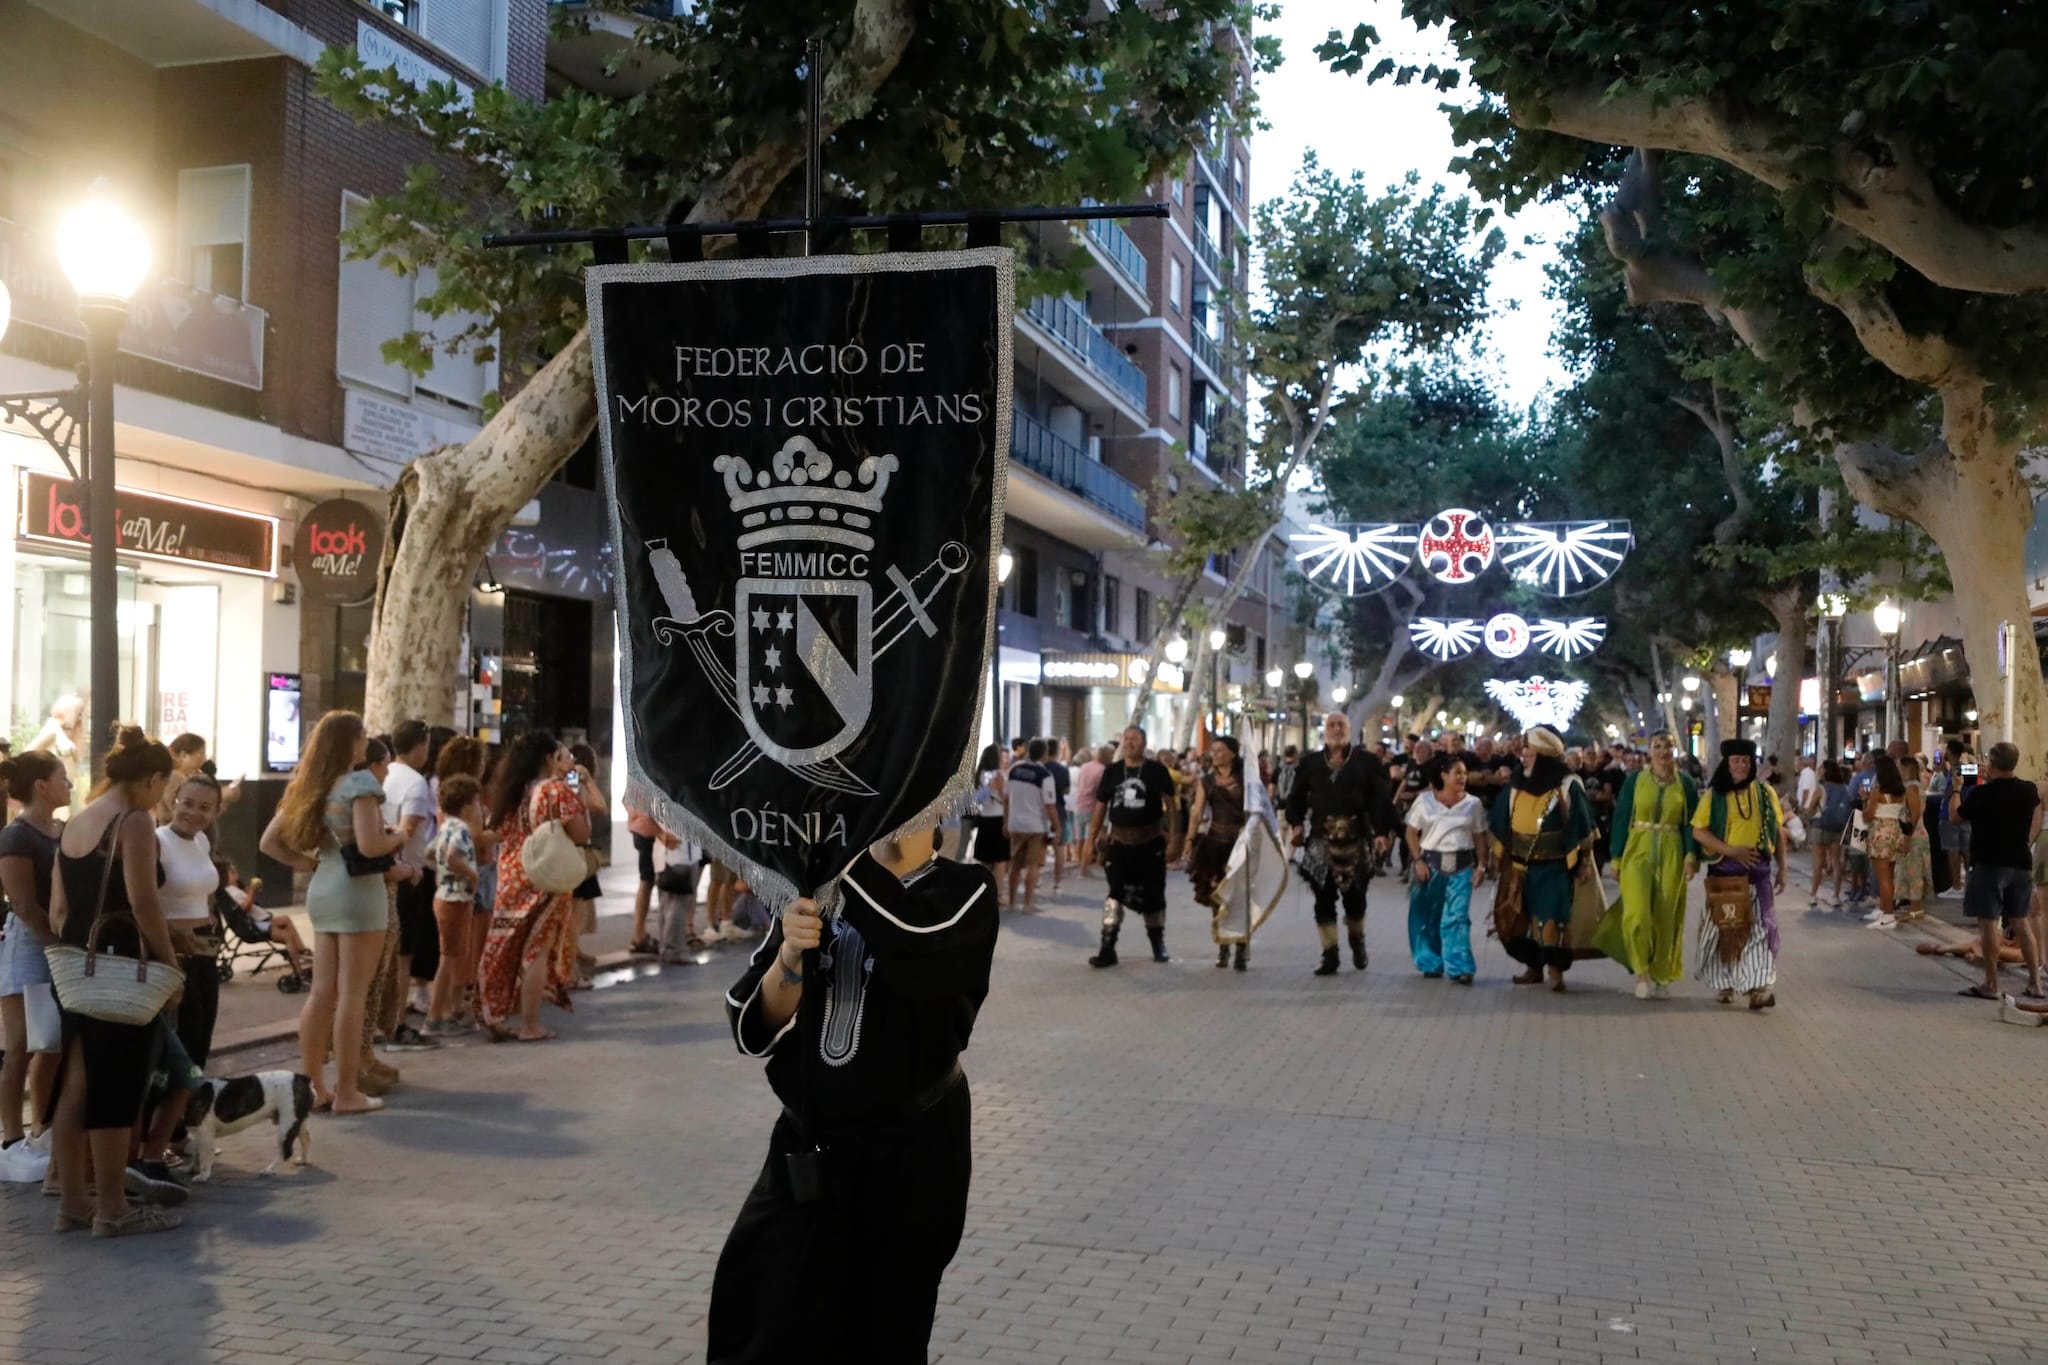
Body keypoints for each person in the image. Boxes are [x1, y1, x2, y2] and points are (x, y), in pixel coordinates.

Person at [708, 825, 998, 1359]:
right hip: (808, 1152)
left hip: (912, 1157)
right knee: (758, 1314)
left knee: (883, 1331)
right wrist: (789, 958)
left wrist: (835, 858)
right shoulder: (822, 885)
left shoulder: (964, 890)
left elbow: (914, 940)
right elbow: (752, 1028)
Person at [46, 726, 180, 1237]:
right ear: (151, 779)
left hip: (76, 964)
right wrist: (169, 965)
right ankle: (111, 1208)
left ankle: (73, 1204)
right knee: (116, 1084)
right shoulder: (134, 821)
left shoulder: (78, 821)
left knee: (74, 1085)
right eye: (164, 786)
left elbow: (59, 909)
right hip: (122, 963)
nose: (162, 797)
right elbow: (144, 902)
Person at [262, 711, 407, 1115]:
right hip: (358, 890)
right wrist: (398, 837)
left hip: (323, 883)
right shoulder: (360, 783)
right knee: (352, 994)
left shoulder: (309, 786)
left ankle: (312, 1087)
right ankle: (347, 1092)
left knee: (321, 991)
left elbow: (269, 842)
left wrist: (309, 863)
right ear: (352, 742)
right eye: (362, 737)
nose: (365, 743)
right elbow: (369, 845)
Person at [476, 732, 589, 1043]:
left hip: (511, 875)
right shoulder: (555, 791)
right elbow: (581, 833)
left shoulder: (511, 792)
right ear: (549, 759)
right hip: (544, 876)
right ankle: (530, 1024)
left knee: (504, 944)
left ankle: (494, 1012)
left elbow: (498, 832)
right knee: (536, 950)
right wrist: (574, 784)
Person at [0, 750, 69, 1184]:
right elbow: (24, 904)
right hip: (29, 944)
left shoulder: (62, 830)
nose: (70, 784)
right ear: (42, 786)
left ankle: (41, 1128)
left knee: (52, 1042)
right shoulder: (17, 834)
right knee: (20, 1045)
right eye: (63, 777)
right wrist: (58, 944)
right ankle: (10, 1140)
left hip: (56, 942)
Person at [1286, 711, 1396, 976]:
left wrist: (1381, 832)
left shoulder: (1367, 762)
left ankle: (1357, 940)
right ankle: (1330, 953)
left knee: (1355, 900)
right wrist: (1296, 824)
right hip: (1320, 839)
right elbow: (1295, 797)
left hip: (1357, 839)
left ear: (1350, 730)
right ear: (1325, 730)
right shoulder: (1311, 763)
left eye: (1341, 725)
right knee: (1323, 898)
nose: (1336, 729)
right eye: (1332, 725)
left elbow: (1380, 800)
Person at [1489, 726, 1598, 991]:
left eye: (1530, 751)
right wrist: (1495, 858)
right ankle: (1533, 967)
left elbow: (1582, 824)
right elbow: (1500, 820)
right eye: (1524, 751)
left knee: (1551, 917)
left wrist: (1584, 860)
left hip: (1554, 866)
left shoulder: (1568, 785)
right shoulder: (1516, 784)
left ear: (1545, 755)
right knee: (1521, 920)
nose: (1523, 756)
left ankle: (1555, 970)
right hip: (1519, 866)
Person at [1600, 732, 1698, 1000]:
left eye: (1668, 746)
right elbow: (1622, 817)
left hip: (1672, 849)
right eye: (1657, 746)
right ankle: (1641, 969)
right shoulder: (1635, 780)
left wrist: (1691, 855)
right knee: (1637, 913)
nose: (1663, 751)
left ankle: (1662, 973)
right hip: (1638, 847)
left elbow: (1691, 821)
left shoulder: (1686, 784)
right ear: (1650, 751)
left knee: (1667, 915)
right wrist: (1616, 857)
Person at [1691, 738, 1787, 1011]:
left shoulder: (1765, 793)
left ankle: (1760, 988)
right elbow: (1698, 831)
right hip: (1725, 876)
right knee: (1726, 930)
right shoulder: (1714, 796)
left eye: (1746, 760)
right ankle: (1725, 982)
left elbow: (1777, 831)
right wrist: (1731, 851)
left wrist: (1783, 868)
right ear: (1727, 763)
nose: (1742, 765)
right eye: (1736, 761)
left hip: (1759, 875)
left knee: (1761, 929)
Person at [1957, 742, 2041, 1003]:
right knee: (2021, 922)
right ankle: (2035, 983)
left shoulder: (1981, 793)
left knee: (1989, 923)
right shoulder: (2028, 790)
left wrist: (1957, 788)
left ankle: (1991, 983)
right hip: (2020, 862)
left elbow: (1955, 817)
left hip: (1989, 863)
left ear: (1991, 763)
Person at [1086, 727, 1176, 968]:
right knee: (1115, 894)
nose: (1129, 743)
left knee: (1154, 895)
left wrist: (1176, 839)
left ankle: (1158, 944)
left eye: (1134, 739)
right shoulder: (1112, 771)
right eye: (1126, 739)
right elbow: (1100, 806)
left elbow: (1172, 806)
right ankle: (1107, 948)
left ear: (1144, 743)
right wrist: (1090, 840)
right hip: (1119, 844)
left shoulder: (1157, 770)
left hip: (1151, 844)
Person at [155, 774, 225, 1069]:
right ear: (174, 801)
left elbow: (203, 888)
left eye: (205, 808)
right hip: (174, 952)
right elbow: (143, 900)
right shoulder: (158, 841)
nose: (194, 813)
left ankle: (193, 1097)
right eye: (188, 803)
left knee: (201, 1036)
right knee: (180, 1039)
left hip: (205, 951)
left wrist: (208, 914)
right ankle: (172, 1098)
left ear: (215, 812)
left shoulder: (202, 841)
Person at [379, 720, 438, 1046]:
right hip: (406, 874)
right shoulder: (415, 783)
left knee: (385, 955)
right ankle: (396, 1022)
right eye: (426, 746)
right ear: (418, 747)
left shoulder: (382, 774)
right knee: (402, 956)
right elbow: (407, 830)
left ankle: (381, 1021)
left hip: (381, 872)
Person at [1404, 758, 1488, 985]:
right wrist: (1418, 861)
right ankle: (1430, 962)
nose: (1462, 777)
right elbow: (1411, 833)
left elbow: (1480, 837)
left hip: (1461, 866)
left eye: (1464, 773)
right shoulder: (1424, 801)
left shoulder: (1473, 804)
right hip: (1430, 866)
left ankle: (1460, 967)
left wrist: (1481, 865)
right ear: (1443, 775)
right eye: (1457, 773)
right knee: (1428, 916)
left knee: (1457, 917)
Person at [1181, 736, 1250, 969]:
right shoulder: (1207, 781)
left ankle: (1241, 947)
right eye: (1213, 750)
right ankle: (1223, 946)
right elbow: (1197, 812)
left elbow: (1259, 810)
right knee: (1217, 896)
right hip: (1214, 845)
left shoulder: (1246, 779)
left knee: (1239, 897)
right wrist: (1189, 839)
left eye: (1220, 750)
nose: (1215, 754)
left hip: (1239, 845)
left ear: (1233, 753)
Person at [425, 776, 483, 1034]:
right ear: (467, 806)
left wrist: (441, 875)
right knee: (448, 959)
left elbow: (429, 854)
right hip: (456, 898)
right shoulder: (461, 829)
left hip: (445, 895)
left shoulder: (446, 826)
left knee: (453, 955)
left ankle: (453, 1010)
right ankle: (435, 1016)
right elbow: (451, 856)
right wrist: (471, 875)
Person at [1002, 739, 1057, 912]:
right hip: (1036, 826)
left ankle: (1012, 903)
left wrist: (1005, 822)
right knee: (1033, 865)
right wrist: (1057, 826)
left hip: (1015, 824)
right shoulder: (1045, 775)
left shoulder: (1014, 770)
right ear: (1044, 754)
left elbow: (1006, 798)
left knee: (1015, 865)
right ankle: (1027, 904)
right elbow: (1049, 806)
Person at [1862, 755, 1911, 931]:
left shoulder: (1878, 791)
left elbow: (1868, 815)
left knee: (1883, 878)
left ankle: (1888, 915)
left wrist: (1865, 799)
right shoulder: (1901, 792)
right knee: (1890, 875)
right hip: (1895, 831)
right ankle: (1885, 911)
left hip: (1880, 832)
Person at [1894, 756, 1934, 923]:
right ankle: (1913, 907)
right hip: (1915, 833)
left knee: (1914, 872)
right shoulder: (1914, 786)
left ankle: (1915, 909)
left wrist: (1907, 836)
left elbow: (1914, 814)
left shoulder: (1911, 787)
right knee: (1910, 871)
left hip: (1914, 835)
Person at [968, 745, 1010, 899]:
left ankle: (984, 892)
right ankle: (998, 894)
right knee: (1000, 860)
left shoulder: (979, 775)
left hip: (984, 819)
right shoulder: (1000, 775)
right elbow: (1006, 799)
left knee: (985, 859)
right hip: (999, 819)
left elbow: (975, 800)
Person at [1809, 760, 1853, 904]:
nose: (1819, 769)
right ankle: (1835, 896)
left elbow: (1810, 808)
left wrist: (1809, 813)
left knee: (1818, 863)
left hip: (1820, 827)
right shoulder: (1845, 789)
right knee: (1836, 862)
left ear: (1826, 771)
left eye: (1821, 767)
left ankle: (1813, 895)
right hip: (1838, 828)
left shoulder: (1821, 789)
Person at [1938, 738, 1974, 899]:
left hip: (1950, 813)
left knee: (1952, 849)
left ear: (1951, 751)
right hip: (1965, 812)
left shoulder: (1956, 770)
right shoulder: (1965, 769)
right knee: (1966, 849)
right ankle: (1970, 885)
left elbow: (1949, 791)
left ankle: (1956, 886)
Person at [1073, 743, 1106, 878]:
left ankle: (1080, 865)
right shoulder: (1102, 769)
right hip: (1092, 806)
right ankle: (1083, 869)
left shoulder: (1084, 766)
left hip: (1079, 804)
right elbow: (1101, 790)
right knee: (1089, 839)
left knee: (1080, 839)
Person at [1044, 738, 1071, 891]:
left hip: (1041, 810)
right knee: (1059, 847)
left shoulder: (1040, 768)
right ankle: (1057, 882)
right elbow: (1067, 790)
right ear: (1057, 751)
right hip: (1059, 808)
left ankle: (1036, 882)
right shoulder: (1062, 770)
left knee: (1040, 845)